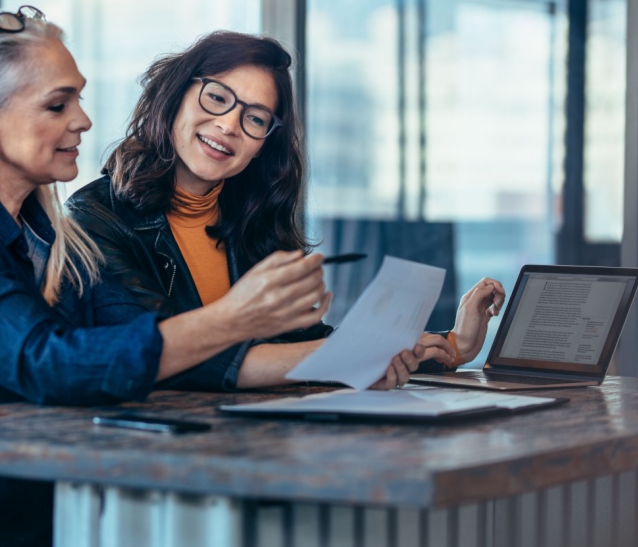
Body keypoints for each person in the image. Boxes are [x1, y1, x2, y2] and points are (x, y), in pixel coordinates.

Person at [0, 5, 423, 547]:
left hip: (52, 525)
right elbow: (48, 365)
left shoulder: (47, 233)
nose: (83, 121)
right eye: (57, 104)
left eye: (79, 99)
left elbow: (137, 343)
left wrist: (369, 351)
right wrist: (237, 318)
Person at [67, 30, 506, 384]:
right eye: (217, 98)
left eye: (255, 118)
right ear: (175, 95)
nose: (228, 125)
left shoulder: (252, 220)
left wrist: (452, 346)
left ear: (263, 145)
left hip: (259, 444)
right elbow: (166, 356)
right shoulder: (94, 218)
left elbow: (303, 344)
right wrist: (350, 357)